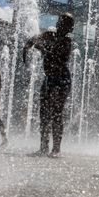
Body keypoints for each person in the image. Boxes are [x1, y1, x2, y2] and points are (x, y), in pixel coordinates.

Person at [23, 13, 74, 157]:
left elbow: (56, 57)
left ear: (70, 27)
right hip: (49, 79)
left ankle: (56, 149)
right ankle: (43, 147)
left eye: (66, 23)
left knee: (57, 113)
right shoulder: (49, 35)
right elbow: (33, 39)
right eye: (61, 21)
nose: (62, 25)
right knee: (44, 114)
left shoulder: (66, 42)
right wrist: (27, 46)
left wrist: (41, 49)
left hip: (61, 79)